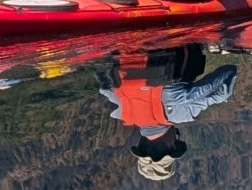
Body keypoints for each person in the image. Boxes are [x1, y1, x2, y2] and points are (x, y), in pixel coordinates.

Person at [103, 41, 240, 182]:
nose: (176, 135)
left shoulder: (182, 113)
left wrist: (222, 96)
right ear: (142, 143)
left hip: (173, 41)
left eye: (176, 141)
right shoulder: (122, 110)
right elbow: (103, 83)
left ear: (169, 145)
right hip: (126, 45)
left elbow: (228, 71)